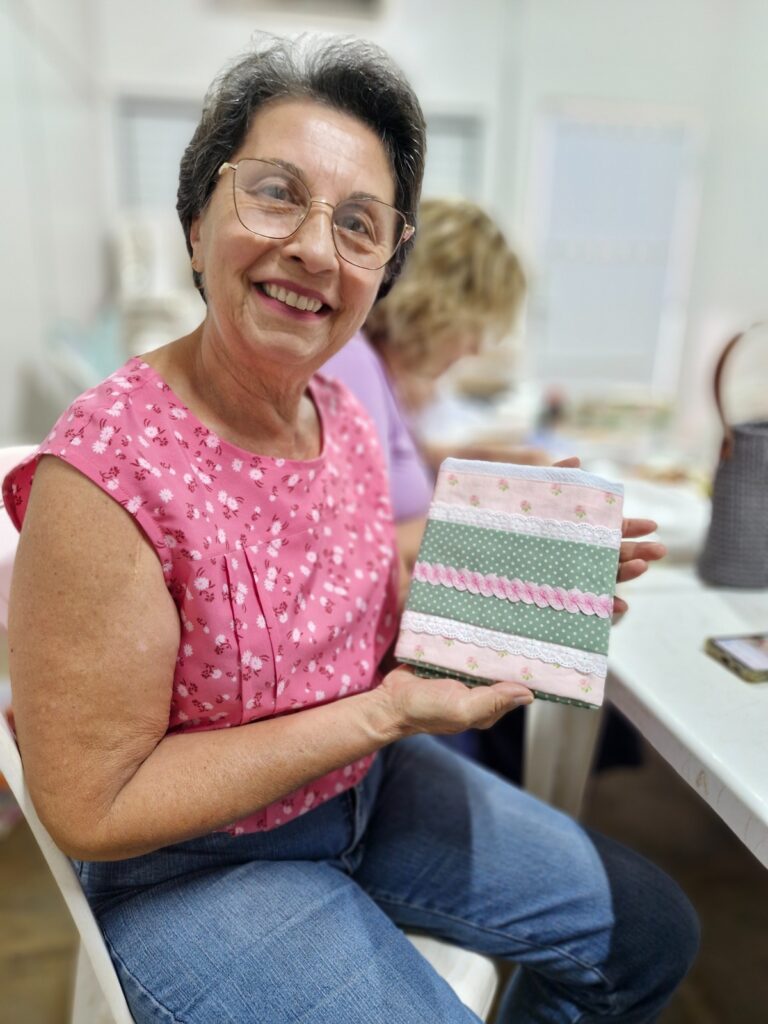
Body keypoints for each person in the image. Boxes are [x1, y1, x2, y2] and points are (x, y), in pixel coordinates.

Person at [4, 35, 697, 1024]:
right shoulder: (107, 471)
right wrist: (384, 715)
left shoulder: (345, 417)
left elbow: (351, 602)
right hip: (195, 864)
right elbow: (92, 804)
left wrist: (507, 568)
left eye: (360, 224)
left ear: (383, 269)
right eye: (275, 194)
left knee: (648, 933)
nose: (316, 248)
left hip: (368, 786)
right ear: (197, 222)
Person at [326, 198, 657, 771]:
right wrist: (505, 519)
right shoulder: (351, 364)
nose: (476, 348)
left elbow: (379, 475)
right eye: (476, 327)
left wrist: (472, 468)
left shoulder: (372, 371)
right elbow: (352, 544)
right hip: (385, 677)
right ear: (438, 304)